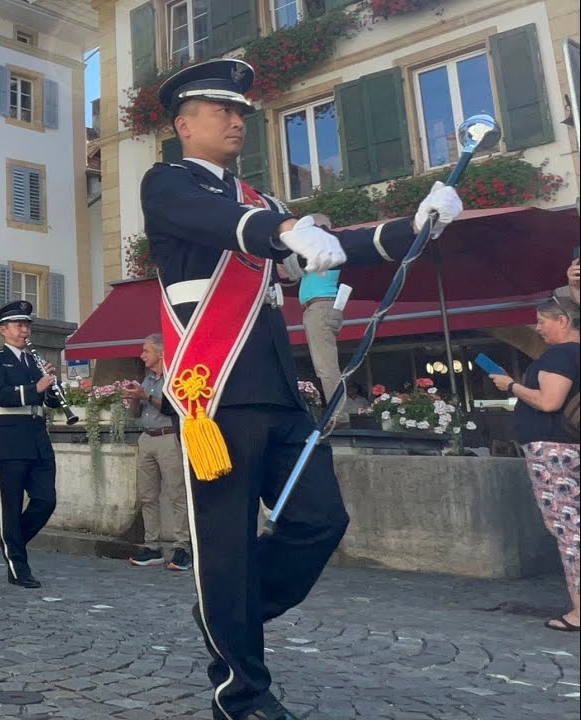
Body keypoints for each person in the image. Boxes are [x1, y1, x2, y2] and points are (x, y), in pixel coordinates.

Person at [141, 59, 463, 720]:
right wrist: (286, 230)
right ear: (184, 124)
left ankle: (229, 610)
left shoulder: (260, 203)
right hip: (217, 393)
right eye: (222, 111)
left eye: (241, 112)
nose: (237, 121)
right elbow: (216, 221)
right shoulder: (168, 183)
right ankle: (241, 694)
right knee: (227, 545)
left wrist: (415, 226)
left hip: (280, 392)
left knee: (320, 521)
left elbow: (333, 246)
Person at [490, 298, 579, 632]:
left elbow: (549, 401)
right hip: (571, 446)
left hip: (555, 451)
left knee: (569, 528)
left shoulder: (561, 355)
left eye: (542, 321)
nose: (537, 328)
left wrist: (512, 386)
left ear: (563, 320)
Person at [0, 300, 62, 589]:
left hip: (37, 437)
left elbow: (50, 401)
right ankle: (18, 565)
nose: (25, 330)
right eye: (19, 325)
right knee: (12, 505)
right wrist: (34, 388)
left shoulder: (34, 361)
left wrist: (52, 387)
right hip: (9, 438)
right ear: (3, 330)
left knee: (46, 500)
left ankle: (11, 541)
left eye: (27, 325)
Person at [121, 333, 191, 570]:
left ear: (160, 353)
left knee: (176, 493)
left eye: (146, 351)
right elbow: (136, 413)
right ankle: (152, 545)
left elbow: (173, 407)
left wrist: (145, 396)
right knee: (147, 495)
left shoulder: (174, 378)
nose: (142, 355)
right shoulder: (147, 379)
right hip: (147, 437)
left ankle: (183, 547)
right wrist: (132, 398)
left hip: (168, 436)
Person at [297, 217, 348, 423]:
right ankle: (337, 413)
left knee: (326, 366)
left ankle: (338, 416)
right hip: (324, 307)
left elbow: (287, 270)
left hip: (319, 307)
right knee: (326, 364)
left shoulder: (320, 247)